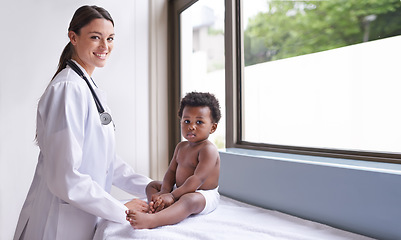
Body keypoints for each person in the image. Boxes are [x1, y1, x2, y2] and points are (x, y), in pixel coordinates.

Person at [13, 5, 152, 240]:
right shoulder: (68, 88)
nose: (104, 46)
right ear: (73, 37)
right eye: (95, 37)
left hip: (81, 220)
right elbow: (64, 177)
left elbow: (104, 159)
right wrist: (124, 211)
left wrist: (148, 187)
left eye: (110, 38)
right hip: (56, 225)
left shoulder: (88, 88)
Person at [126, 91, 221, 229]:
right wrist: (164, 190)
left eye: (199, 122)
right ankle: (157, 208)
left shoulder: (208, 150)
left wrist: (172, 195)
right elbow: (171, 172)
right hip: (179, 189)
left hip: (201, 193)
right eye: (187, 121)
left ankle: (153, 220)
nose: (191, 126)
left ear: (212, 127)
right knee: (152, 186)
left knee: (189, 200)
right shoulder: (181, 147)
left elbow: (197, 179)